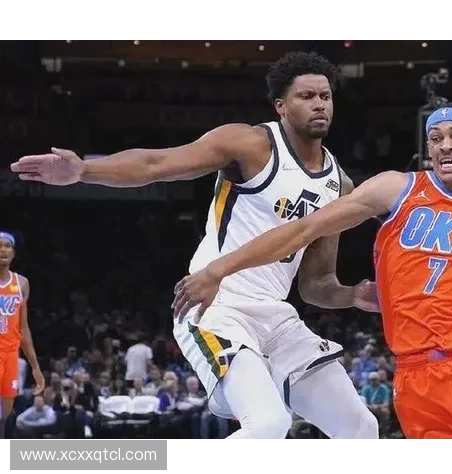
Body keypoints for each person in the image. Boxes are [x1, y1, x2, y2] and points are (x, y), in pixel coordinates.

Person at [10, 52, 379, 439]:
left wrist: (353, 294)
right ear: (281, 106)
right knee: (269, 424)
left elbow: (316, 284)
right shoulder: (251, 143)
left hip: (276, 316)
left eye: (325, 96)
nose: (319, 104)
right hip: (216, 304)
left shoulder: (340, 185)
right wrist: (86, 170)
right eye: (306, 96)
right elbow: (156, 165)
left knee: (361, 427)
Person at [166, 103, 452, 439]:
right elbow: (304, 229)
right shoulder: (396, 188)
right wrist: (220, 267)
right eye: (436, 138)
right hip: (417, 376)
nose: (445, 146)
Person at [0, 231, 45, 438]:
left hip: (11, 354)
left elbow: (23, 329)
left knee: (5, 418)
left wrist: (35, 366)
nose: (3, 250)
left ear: (13, 252)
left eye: (7, 246)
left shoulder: (21, 284)